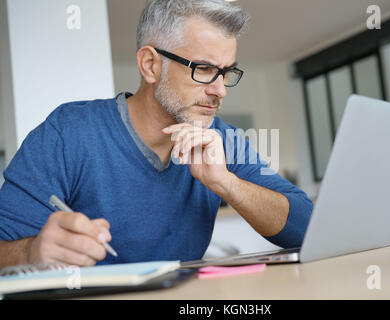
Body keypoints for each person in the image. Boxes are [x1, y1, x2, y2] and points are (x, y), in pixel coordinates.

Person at [0, 0, 313, 268]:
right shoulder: (68, 132)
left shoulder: (223, 139)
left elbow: (307, 226)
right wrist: (30, 251)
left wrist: (226, 183)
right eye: (203, 69)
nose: (220, 91)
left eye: (226, 72)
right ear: (150, 65)